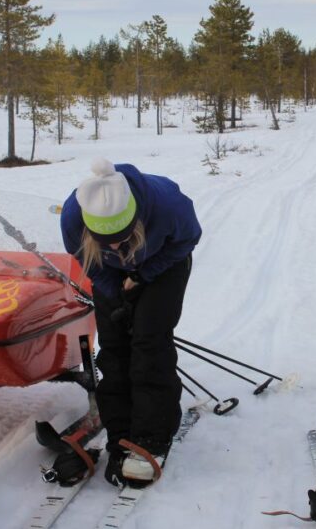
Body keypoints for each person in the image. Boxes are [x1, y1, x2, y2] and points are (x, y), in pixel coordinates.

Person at [61, 158, 201, 488]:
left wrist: (142, 275)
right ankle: (121, 436)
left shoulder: (167, 204)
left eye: (121, 238)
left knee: (149, 344)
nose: (113, 245)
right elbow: (89, 263)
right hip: (110, 273)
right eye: (105, 239)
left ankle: (152, 439)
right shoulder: (72, 216)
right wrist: (116, 293)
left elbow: (187, 240)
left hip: (163, 266)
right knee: (114, 347)